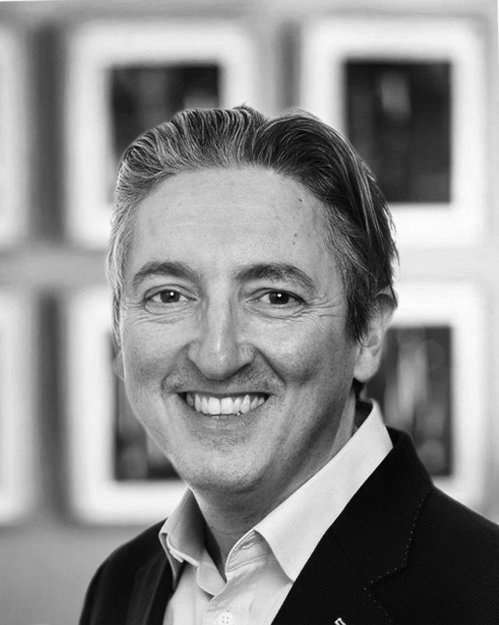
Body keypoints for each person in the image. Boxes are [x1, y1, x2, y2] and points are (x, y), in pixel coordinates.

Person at [80, 106, 499, 625]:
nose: (217, 357)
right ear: (120, 331)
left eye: (276, 297)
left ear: (368, 334)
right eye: (169, 295)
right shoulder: (119, 586)